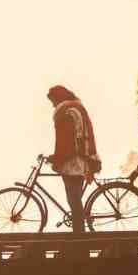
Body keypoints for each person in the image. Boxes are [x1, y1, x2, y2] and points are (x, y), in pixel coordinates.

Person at [46, 85, 100, 233]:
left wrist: (56, 157)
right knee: (74, 198)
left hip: (74, 161)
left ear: (58, 98)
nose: (52, 105)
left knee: (74, 199)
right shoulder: (76, 108)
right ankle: (79, 230)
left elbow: (66, 141)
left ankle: (79, 233)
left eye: (53, 101)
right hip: (81, 157)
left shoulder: (66, 113)